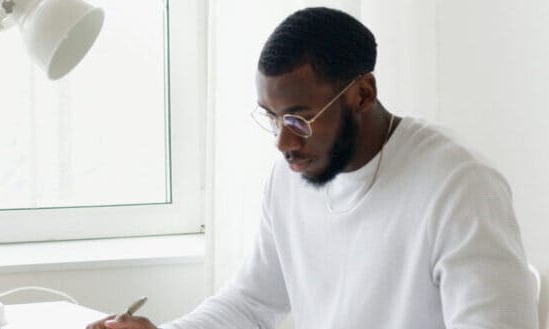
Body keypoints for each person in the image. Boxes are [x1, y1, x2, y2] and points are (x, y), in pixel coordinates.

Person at [86, 7, 538, 329]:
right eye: (272, 117)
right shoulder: (294, 175)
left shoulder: (459, 187)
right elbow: (252, 303)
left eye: (300, 119)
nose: (284, 143)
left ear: (363, 93)